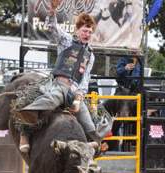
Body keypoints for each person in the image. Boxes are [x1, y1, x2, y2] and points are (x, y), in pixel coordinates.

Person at [17, 0, 112, 152]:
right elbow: (52, 25)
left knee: (89, 123)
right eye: (85, 31)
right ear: (77, 30)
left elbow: (85, 77)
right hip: (60, 84)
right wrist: (53, 8)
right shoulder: (66, 40)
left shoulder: (90, 55)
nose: (87, 34)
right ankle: (24, 129)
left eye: (90, 32)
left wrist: (79, 96)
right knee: (51, 100)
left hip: (74, 93)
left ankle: (94, 145)